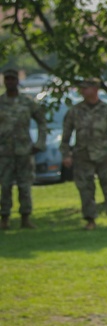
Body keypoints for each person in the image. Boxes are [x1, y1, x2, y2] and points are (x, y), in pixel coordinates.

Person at [60, 78, 107, 230]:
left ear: (95, 89)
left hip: (104, 155)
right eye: (81, 88)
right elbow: (66, 135)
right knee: (86, 188)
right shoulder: (75, 111)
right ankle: (90, 220)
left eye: (86, 88)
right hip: (82, 155)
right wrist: (66, 154)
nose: (82, 91)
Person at [0, 68, 48, 230]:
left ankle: (25, 217)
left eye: (12, 79)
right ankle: (5, 218)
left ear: (17, 82)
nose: (10, 82)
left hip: (24, 151)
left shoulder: (27, 102)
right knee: (5, 186)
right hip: (4, 152)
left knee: (25, 185)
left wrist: (39, 144)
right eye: (7, 79)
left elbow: (42, 122)